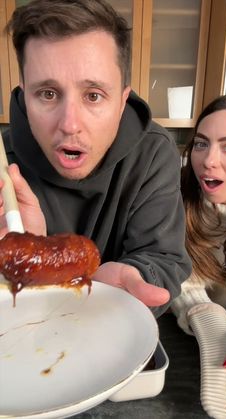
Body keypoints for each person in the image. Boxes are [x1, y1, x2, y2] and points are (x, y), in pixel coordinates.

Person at [0, 0, 191, 316]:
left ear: (121, 101)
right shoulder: (5, 165)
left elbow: (163, 258)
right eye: (48, 93)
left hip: (119, 328)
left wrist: (130, 282)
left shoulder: (153, 152)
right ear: (24, 94)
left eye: (93, 95)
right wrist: (18, 260)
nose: (70, 124)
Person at [171, 94, 226, 417]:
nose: (208, 161)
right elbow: (168, 268)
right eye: (200, 144)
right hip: (179, 344)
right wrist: (208, 320)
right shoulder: (171, 194)